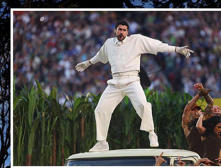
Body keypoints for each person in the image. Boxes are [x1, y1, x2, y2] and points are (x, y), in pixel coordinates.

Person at [75, 21, 194, 152]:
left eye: (124, 30)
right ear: (115, 30)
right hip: (115, 82)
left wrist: (177, 49)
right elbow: (100, 56)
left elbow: (157, 45)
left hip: (132, 81)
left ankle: (151, 133)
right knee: (100, 109)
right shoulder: (109, 43)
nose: (122, 32)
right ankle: (102, 142)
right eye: (120, 29)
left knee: (143, 105)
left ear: (128, 32)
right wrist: (88, 63)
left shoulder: (136, 40)